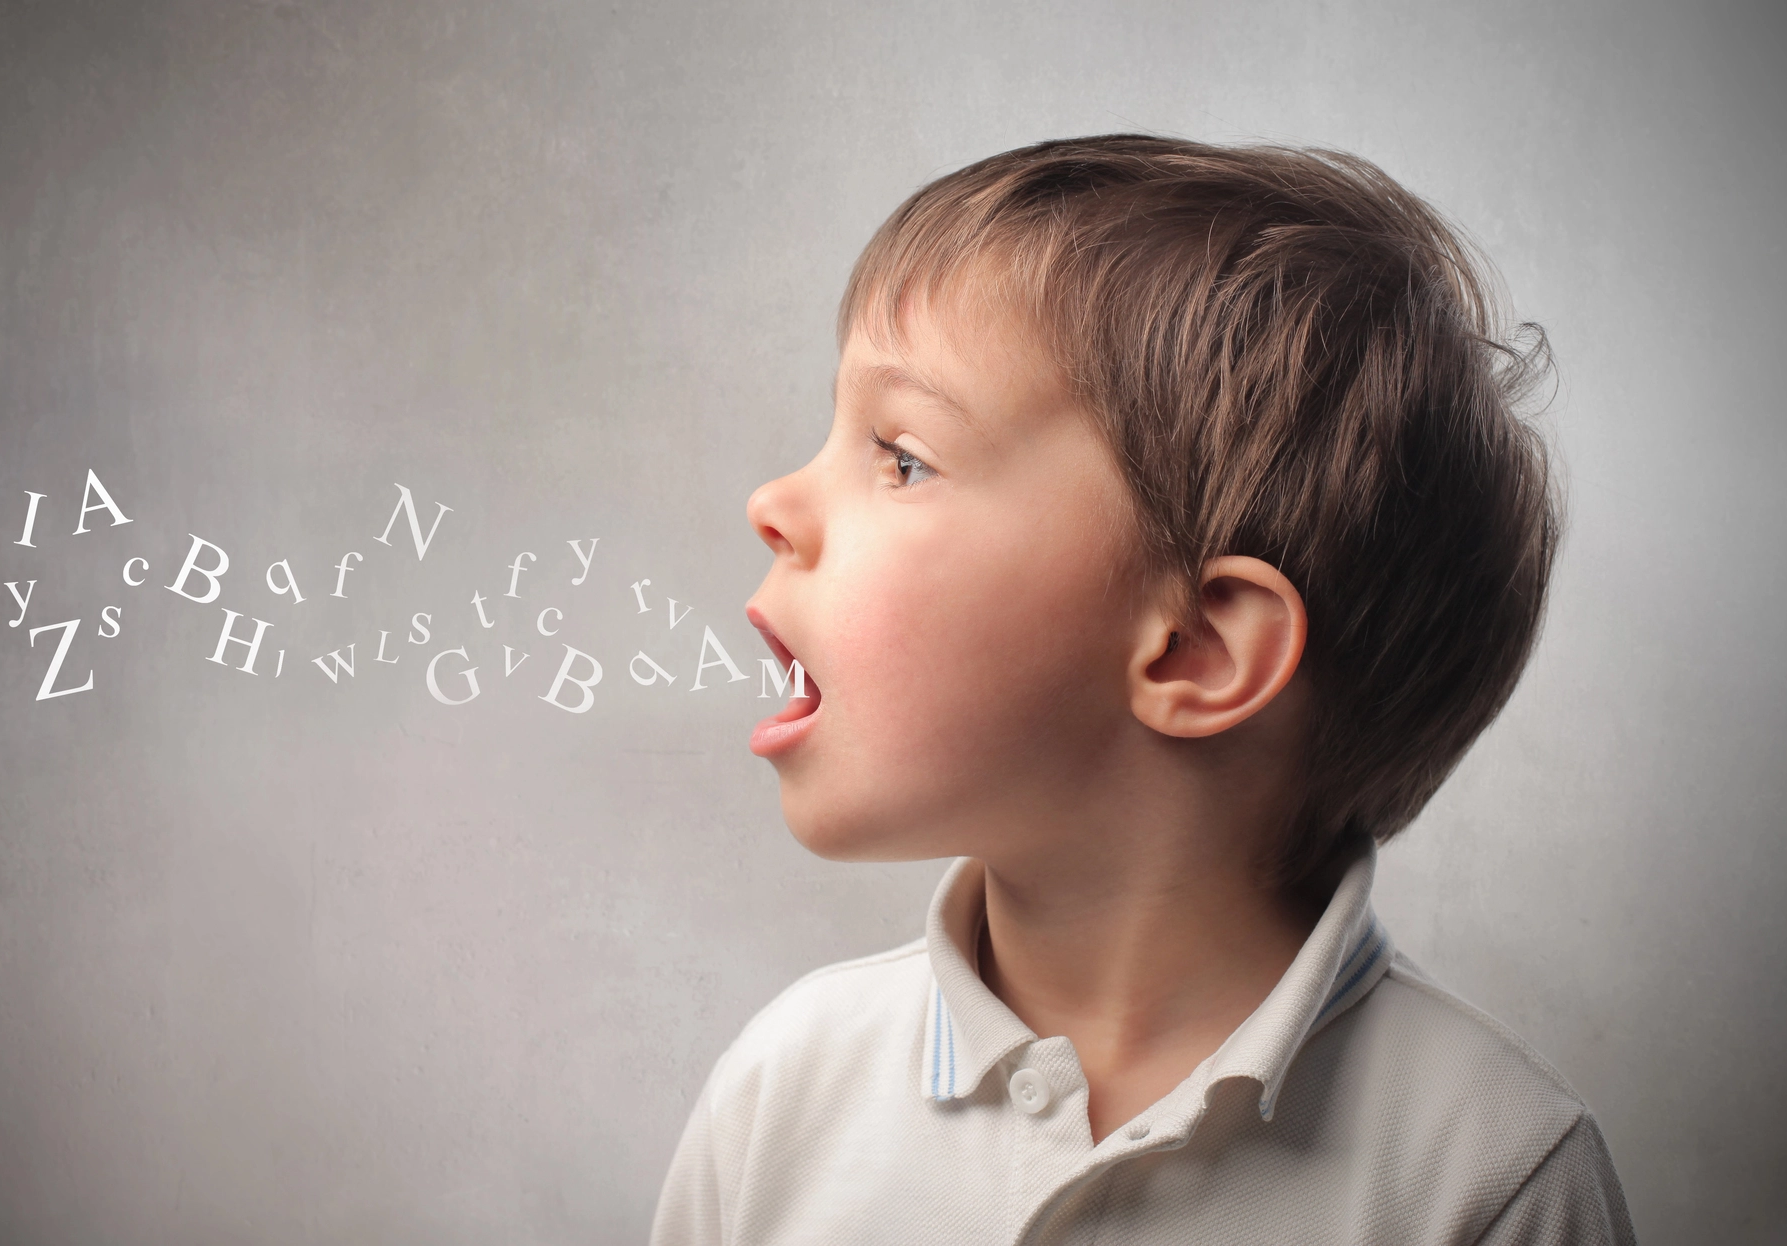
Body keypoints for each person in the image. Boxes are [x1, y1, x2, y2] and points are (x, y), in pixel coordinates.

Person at [650, 134, 1633, 1245]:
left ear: (1194, 651)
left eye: (903, 456)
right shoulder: (782, 1092)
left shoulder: (1490, 1174)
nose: (770, 501)